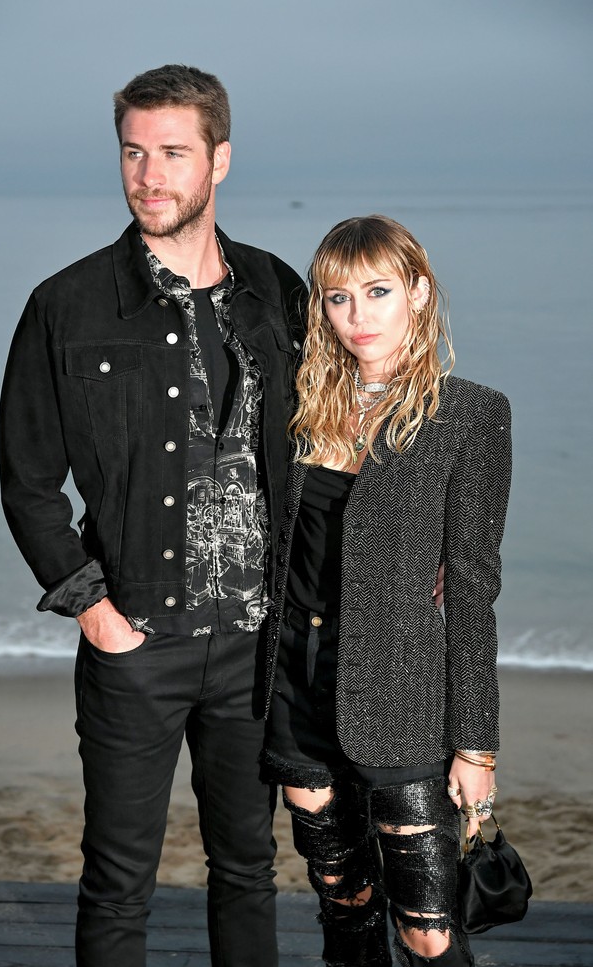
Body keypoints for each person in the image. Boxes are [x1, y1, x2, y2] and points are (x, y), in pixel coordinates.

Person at [0, 64, 307, 967]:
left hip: (257, 646)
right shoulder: (67, 305)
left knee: (250, 869)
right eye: (134, 152)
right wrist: (96, 613)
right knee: (119, 880)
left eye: (173, 152)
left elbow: (329, 448)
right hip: (136, 640)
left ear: (219, 160)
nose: (149, 174)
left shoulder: (279, 292)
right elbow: (27, 481)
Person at [262, 215, 512, 967]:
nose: (358, 316)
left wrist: (477, 746)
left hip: (400, 701)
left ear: (419, 292)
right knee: (345, 909)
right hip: (295, 691)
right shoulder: (301, 407)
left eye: (377, 291)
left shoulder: (470, 414)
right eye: (337, 298)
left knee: (429, 932)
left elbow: (472, 589)